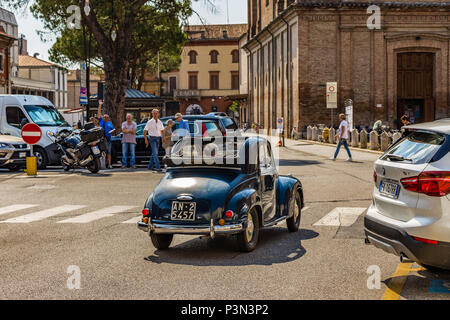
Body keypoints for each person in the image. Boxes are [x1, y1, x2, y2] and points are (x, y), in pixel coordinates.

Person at [97, 100, 115, 169]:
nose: (105, 118)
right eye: (104, 117)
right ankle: (102, 165)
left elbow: (113, 129)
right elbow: (99, 113)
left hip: (108, 140)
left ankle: (109, 164)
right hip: (101, 139)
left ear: (108, 118)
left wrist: (112, 131)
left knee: (109, 152)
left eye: (106, 117)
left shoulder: (110, 123)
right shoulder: (101, 121)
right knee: (101, 152)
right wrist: (100, 105)